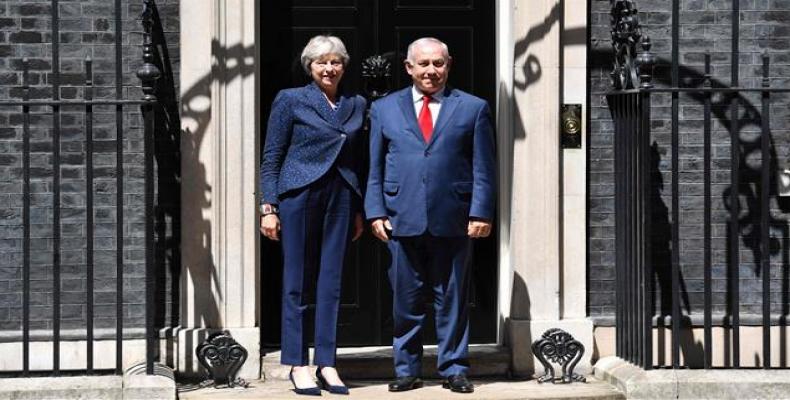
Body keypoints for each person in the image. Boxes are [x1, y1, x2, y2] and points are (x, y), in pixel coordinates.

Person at [364, 37, 495, 394]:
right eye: (423, 64)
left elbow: (484, 167)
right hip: (399, 217)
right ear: (409, 68)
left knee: (452, 299)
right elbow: (374, 166)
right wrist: (374, 210)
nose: (431, 71)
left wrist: (480, 212)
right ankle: (406, 369)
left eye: (438, 64)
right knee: (405, 301)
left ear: (449, 65)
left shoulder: (472, 108)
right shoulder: (385, 108)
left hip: (454, 218)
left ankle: (453, 367)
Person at [260, 35, 365, 396]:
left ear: (343, 66)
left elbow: (356, 159)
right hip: (299, 195)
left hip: (341, 197)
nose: (329, 68)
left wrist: (358, 209)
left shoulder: (356, 103)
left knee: (331, 283)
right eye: (321, 62)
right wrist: (268, 206)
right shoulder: (291, 100)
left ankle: (327, 362)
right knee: (297, 282)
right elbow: (272, 155)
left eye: (335, 61)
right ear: (310, 67)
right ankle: (297, 363)